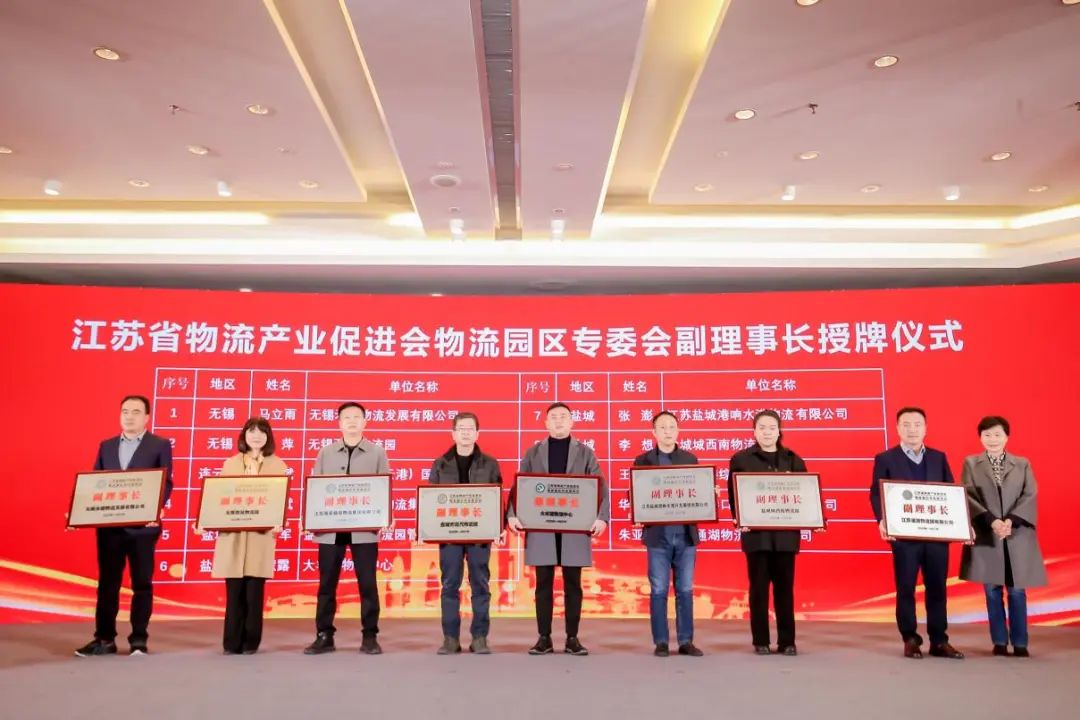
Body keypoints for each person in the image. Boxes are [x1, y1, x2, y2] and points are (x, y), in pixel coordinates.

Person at [507, 402, 609, 656]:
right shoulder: (533, 452)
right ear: (546, 423)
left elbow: (600, 487)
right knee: (543, 584)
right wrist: (512, 514)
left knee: (573, 584)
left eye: (564, 416)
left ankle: (572, 638)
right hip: (542, 528)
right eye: (554, 417)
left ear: (572, 422)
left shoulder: (585, 453)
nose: (559, 420)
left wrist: (602, 518)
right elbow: (519, 486)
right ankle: (544, 638)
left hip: (575, 528)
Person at [75, 395, 173, 657]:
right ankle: (104, 639)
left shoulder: (159, 445)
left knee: (142, 583)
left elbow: (165, 482)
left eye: (136, 412)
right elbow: (96, 483)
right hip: (110, 528)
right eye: (125, 411)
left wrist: (155, 507)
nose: (129, 416)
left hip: (143, 528)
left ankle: (138, 640)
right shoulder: (106, 446)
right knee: (108, 584)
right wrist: (79, 512)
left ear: (147, 417)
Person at [870, 407, 964, 660]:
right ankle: (910, 638)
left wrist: (960, 524)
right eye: (906, 424)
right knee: (905, 588)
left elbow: (951, 493)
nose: (912, 429)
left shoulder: (938, 458)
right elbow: (876, 493)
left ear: (925, 428)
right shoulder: (886, 459)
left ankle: (939, 640)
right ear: (898, 428)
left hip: (936, 536)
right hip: (904, 536)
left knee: (937, 588)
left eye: (917, 424)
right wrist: (882, 520)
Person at [304, 402, 392, 655]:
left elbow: (384, 487)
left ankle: (370, 635)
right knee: (326, 584)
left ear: (365, 422)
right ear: (339, 423)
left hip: (364, 528)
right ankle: (324, 635)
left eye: (356, 417)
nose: (352, 421)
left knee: (367, 583)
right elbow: (316, 489)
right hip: (330, 528)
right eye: (347, 417)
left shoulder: (377, 452)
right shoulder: (326, 453)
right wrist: (309, 519)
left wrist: (387, 516)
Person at [959, 416, 1047, 657]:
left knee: (1017, 591)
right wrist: (992, 521)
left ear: (1007, 437)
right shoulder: (971, 463)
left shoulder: (1022, 464)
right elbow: (967, 494)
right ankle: (999, 641)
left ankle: (1020, 643)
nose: (992, 439)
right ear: (980, 437)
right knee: (992, 590)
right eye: (987, 435)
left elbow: (1030, 494)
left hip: (1016, 532)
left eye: (997, 434)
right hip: (987, 533)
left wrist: (1011, 521)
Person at [727, 410, 807, 656]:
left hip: (785, 536)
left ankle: (787, 641)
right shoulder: (741, 459)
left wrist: (811, 518)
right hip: (756, 535)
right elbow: (733, 494)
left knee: (785, 589)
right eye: (762, 427)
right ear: (754, 431)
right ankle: (760, 640)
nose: (767, 432)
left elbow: (804, 495)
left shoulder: (793, 460)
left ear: (779, 430)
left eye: (772, 427)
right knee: (758, 590)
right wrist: (740, 518)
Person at [209, 417, 288, 655]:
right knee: (234, 592)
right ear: (244, 435)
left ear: (268, 437)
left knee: (254, 592)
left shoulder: (277, 465)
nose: (256, 436)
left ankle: (251, 642)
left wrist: (278, 520)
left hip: (259, 536)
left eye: (262, 432)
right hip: (233, 535)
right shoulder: (230, 464)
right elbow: (219, 497)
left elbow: (280, 500)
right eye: (251, 431)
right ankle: (231, 642)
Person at [428, 412, 504, 655]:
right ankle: (450, 638)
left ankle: (479, 637)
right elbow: (430, 500)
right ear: (453, 433)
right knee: (450, 585)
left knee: (480, 584)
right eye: (461, 428)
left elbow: (497, 498)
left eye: (470, 428)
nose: (466, 433)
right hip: (449, 535)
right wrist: (426, 528)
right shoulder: (440, 463)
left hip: (480, 535)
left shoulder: (490, 464)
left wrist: (499, 528)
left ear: (477, 433)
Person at [633, 411, 704, 657]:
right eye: (662, 427)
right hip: (658, 536)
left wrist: (708, 494)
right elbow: (638, 494)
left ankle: (686, 641)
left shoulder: (690, 459)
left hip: (685, 535)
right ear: (653, 432)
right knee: (659, 590)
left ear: (678, 430)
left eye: (672, 426)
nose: (667, 431)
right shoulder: (643, 461)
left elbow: (697, 492)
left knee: (685, 589)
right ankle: (661, 641)